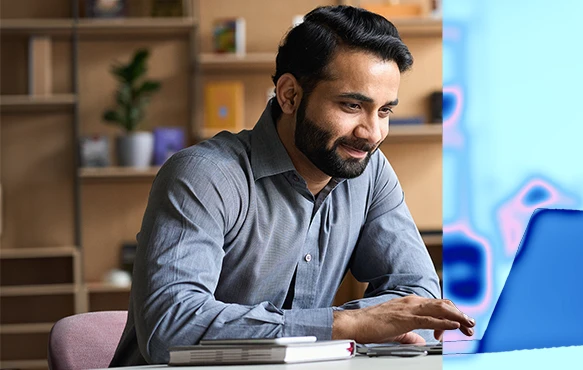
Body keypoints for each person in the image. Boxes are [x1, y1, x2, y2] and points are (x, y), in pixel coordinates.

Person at [109, 5, 474, 366]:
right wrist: (346, 324)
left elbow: (418, 297)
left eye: (384, 111)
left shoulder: (370, 172)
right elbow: (171, 328)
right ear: (289, 95)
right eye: (351, 106)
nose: (372, 133)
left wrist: (364, 325)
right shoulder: (204, 176)